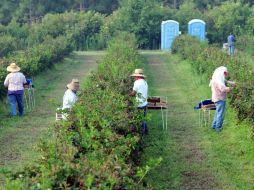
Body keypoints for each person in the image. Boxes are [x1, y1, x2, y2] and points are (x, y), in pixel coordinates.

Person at [210, 66, 232, 132]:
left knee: (218, 112)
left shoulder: (216, 78)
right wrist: (230, 88)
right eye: (224, 73)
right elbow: (223, 89)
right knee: (220, 114)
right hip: (220, 99)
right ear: (220, 73)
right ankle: (218, 128)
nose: (224, 75)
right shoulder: (218, 81)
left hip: (216, 98)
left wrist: (234, 83)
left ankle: (214, 126)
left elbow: (226, 81)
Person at [130, 68, 148, 135]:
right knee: (143, 118)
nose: (134, 77)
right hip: (145, 103)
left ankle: (142, 133)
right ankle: (146, 131)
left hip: (139, 104)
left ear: (137, 76)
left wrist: (127, 95)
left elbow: (133, 93)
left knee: (138, 120)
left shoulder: (137, 82)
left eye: (135, 76)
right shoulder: (145, 82)